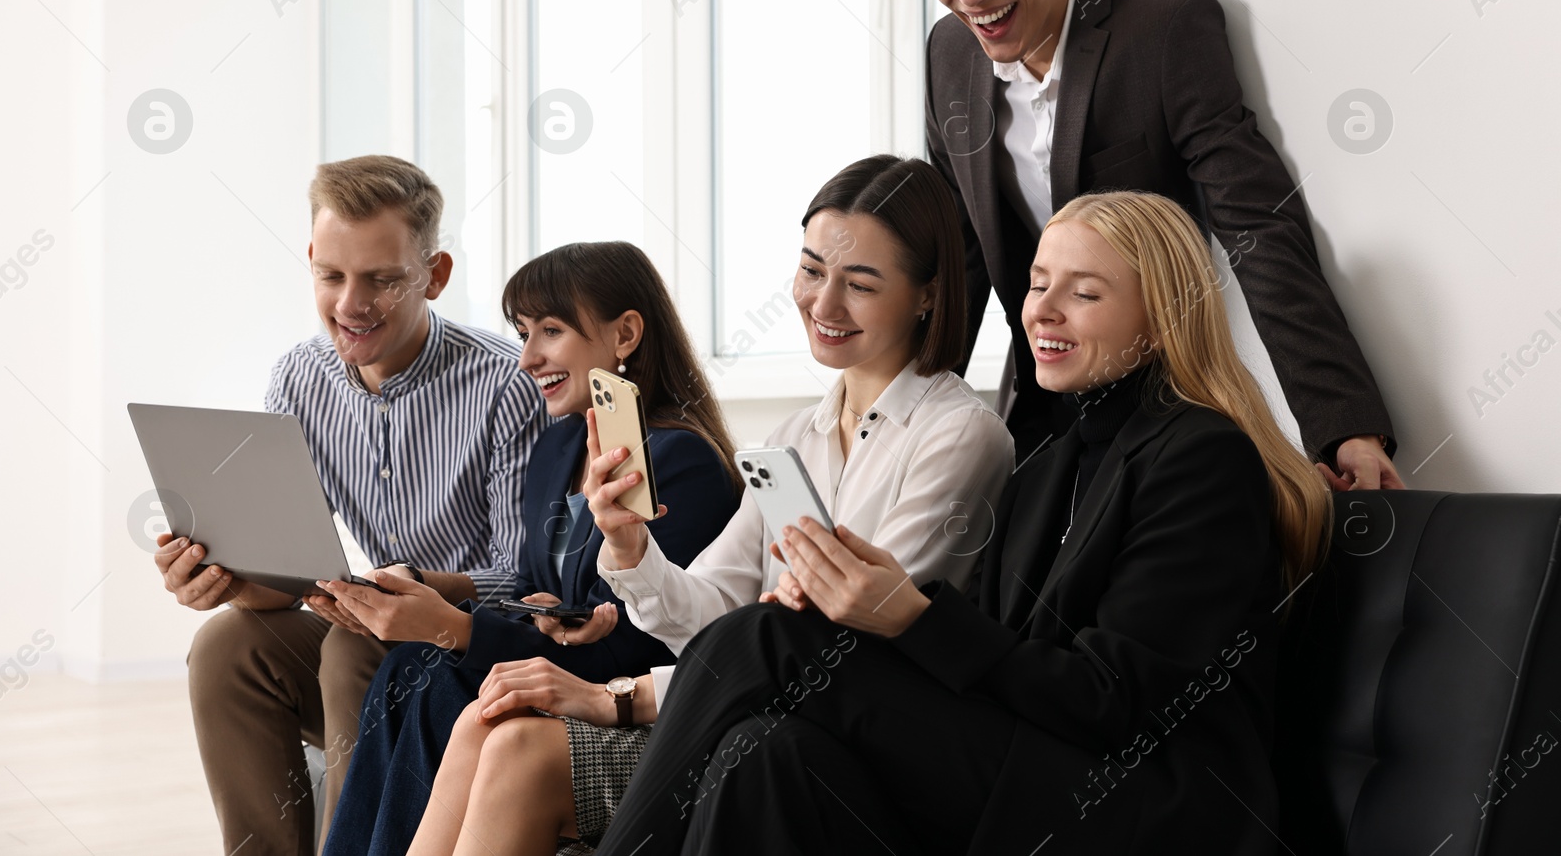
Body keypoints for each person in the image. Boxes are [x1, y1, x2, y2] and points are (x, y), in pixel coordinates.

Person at [589, 189, 1332, 854]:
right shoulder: (1048, 464)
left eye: (1084, 293)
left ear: (1160, 314)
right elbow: (994, 663)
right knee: (763, 750)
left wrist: (907, 614)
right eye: (1038, 285)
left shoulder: (1202, 457)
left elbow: (1115, 703)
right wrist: (857, 611)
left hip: (1147, 805)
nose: (1042, 309)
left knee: (766, 637)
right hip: (1042, 766)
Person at [403, 154, 1017, 855]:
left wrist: (620, 697)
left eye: (861, 284)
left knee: (519, 745)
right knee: (482, 718)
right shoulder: (797, 436)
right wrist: (631, 545)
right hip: (732, 703)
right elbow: (713, 615)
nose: (822, 305)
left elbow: (827, 649)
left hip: (836, 741)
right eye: (813, 271)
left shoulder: (959, 435)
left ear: (928, 295)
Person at [902, 0, 1402, 490]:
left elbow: (1258, 225)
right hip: (1037, 415)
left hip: (1166, 420)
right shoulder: (948, 53)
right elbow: (958, 261)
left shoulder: (1164, 29)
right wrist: (898, 421)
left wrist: (1345, 424)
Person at [150, 155, 550, 856]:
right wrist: (229, 577)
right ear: (310, 259)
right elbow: (292, 574)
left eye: (382, 279)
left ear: (435, 275)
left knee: (350, 644)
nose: (350, 303)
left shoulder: (503, 385)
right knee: (227, 644)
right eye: (331, 275)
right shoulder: (299, 378)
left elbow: (526, 579)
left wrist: (416, 594)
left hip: (473, 649)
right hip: (363, 633)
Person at [320, 241, 743, 855]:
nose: (527, 358)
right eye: (523, 332)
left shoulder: (681, 462)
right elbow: (532, 584)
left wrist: (454, 629)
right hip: (565, 664)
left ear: (625, 334)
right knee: (409, 669)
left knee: (430, 675)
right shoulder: (557, 447)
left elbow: (641, 643)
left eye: (550, 330)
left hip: (629, 691)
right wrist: (538, 609)